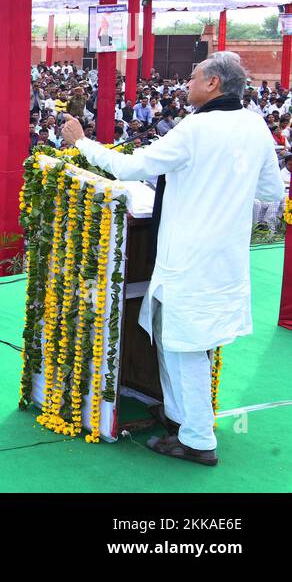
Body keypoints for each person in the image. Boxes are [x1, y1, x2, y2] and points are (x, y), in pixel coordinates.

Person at [61, 51, 283, 466]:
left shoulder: (196, 128)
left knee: (185, 346)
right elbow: (272, 192)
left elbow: (131, 167)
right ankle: (179, 415)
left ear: (213, 83)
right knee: (168, 333)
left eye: (194, 76)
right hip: (223, 257)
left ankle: (197, 440)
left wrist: (82, 142)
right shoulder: (255, 125)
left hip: (189, 258)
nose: (188, 83)